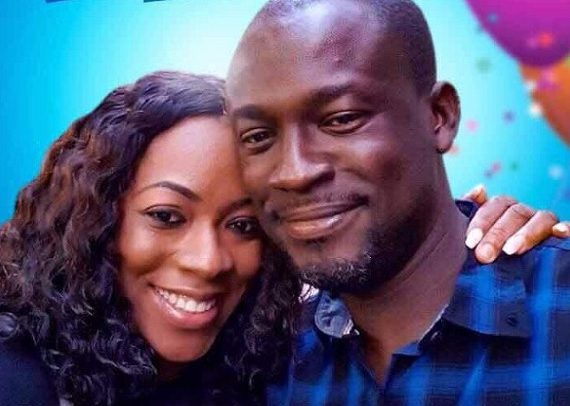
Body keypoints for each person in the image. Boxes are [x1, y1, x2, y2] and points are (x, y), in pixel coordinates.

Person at [225, 0, 570, 404]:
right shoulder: (273, 366)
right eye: (257, 137)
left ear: (439, 116)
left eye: (341, 119)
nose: (294, 173)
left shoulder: (557, 310)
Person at [0, 71, 299, 405]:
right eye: (166, 217)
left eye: (243, 225)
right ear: (92, 221)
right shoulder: (13, 375)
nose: (208, 262)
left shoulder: (268, 379)